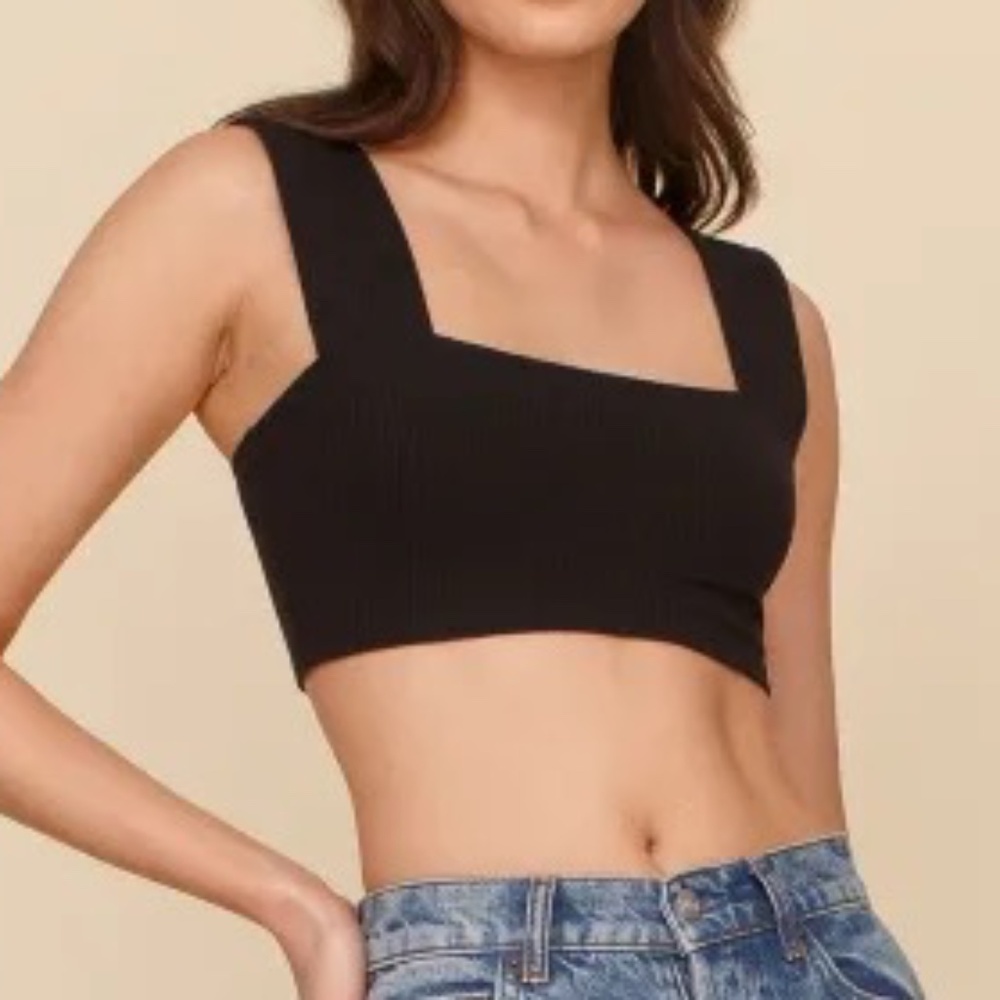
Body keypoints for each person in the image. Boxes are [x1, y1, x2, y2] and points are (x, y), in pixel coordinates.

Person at [0, 1, 928, 998]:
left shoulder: (774, 320)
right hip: (491, 959)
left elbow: (810, 787)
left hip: (813, 948)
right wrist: (290, 904)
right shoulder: (247, 209)